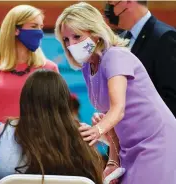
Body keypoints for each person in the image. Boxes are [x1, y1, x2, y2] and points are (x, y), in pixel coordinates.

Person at [55, 2, 176, 184]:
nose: (71, 44)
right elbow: (112, 119)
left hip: (156, 143)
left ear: (95, 32)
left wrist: (97, 130)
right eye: (66, 40)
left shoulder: (115, 56)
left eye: (77, 36)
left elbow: (118, 109)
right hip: (128, 148)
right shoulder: (88, 67)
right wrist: (113, 160)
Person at [0, 5, 59, 179]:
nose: (40, 33)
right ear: (15, 29)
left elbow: (56, 117)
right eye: (34, 27)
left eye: (41, 27)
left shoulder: (49, 69)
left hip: (41, 151)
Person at [0, 69, 103, 184]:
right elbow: (95, 176)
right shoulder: (82, 132)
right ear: (65, 101)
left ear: (25, 100)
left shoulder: (3, 131)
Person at [105, 0, 176, 118]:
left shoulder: (164, 37)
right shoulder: (120, 39)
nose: (110, 10)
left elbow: (171, 97)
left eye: (113, 4)